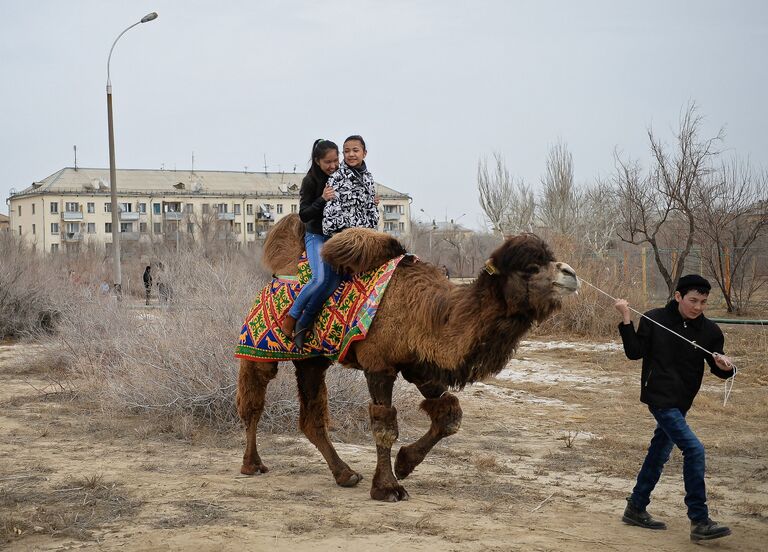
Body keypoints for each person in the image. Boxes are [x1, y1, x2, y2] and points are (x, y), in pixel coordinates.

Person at [614, 274, 734, 542]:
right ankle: (700, 520)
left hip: (682, 401)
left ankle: (636, 506)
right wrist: (625, 317)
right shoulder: (655, 319)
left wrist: (726, 367)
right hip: (659, 397)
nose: (698, 307)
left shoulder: (710, 331)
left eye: (703, 302)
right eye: (693, 300)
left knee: (659, 452)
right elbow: (634, 352)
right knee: (694, 449)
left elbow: (718, 369)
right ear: (678, 296)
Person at [280, 139, 341, 348]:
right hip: (316, 236)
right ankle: (292, 317)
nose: (333, 166)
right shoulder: (310, 181)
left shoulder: (340, 178)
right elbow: (304, 214)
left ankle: (305, 322)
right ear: (317, 161)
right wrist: (322, 199)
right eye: (328, 162)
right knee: (318, 279)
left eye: (336, 160)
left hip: (335, 237)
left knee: (332, 284)